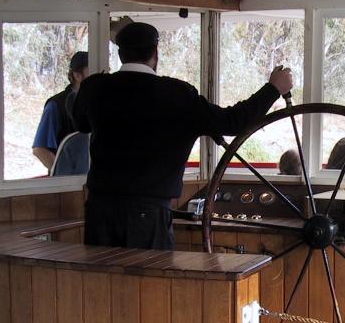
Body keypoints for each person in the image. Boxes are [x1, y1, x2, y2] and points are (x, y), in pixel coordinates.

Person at [72, 21, 293, 250]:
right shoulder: (177, 95)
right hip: (148, 216)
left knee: (100, 283)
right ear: (155, 54)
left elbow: (80, 122)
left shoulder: (95, 88)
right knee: (148, 284)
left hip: (100, 213)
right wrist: (273, 89)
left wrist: (93, 85)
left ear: (121, 54)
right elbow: (234, 121)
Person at [32, 51, 89, 170]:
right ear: (77, 75)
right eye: (92, 70)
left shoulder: (98, 103)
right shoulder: (56, 105)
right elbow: (40, 149)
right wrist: (64, 174)